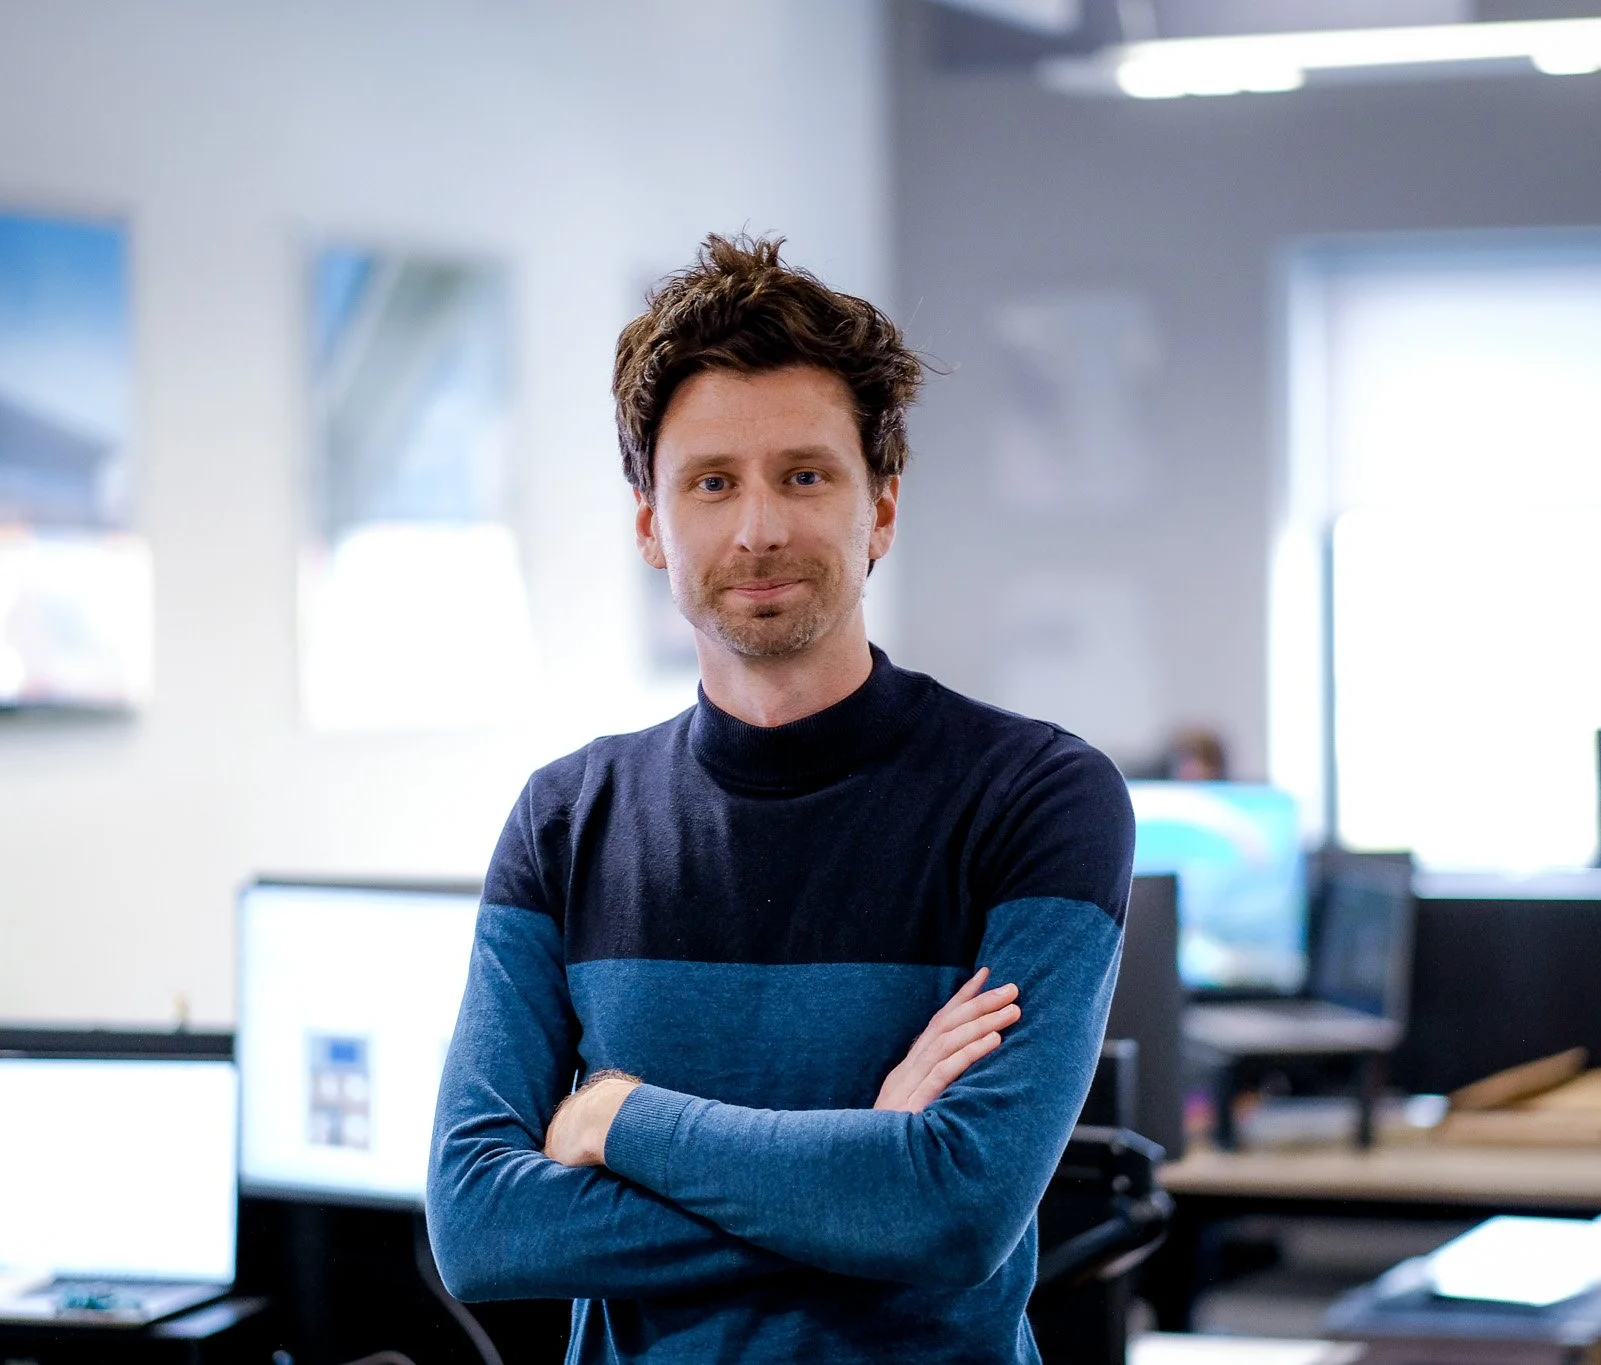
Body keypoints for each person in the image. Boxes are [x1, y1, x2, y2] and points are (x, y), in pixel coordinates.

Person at [427, 233, 1135, 1362]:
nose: (757, 527)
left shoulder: (1037, 797)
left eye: (804, 475)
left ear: (881, 508)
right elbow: (480, 1229)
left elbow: (954, 1212)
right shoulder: (566, 820)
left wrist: (616, 1119)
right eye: (711, 483)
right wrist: (867, 1160)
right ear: (652, 525)